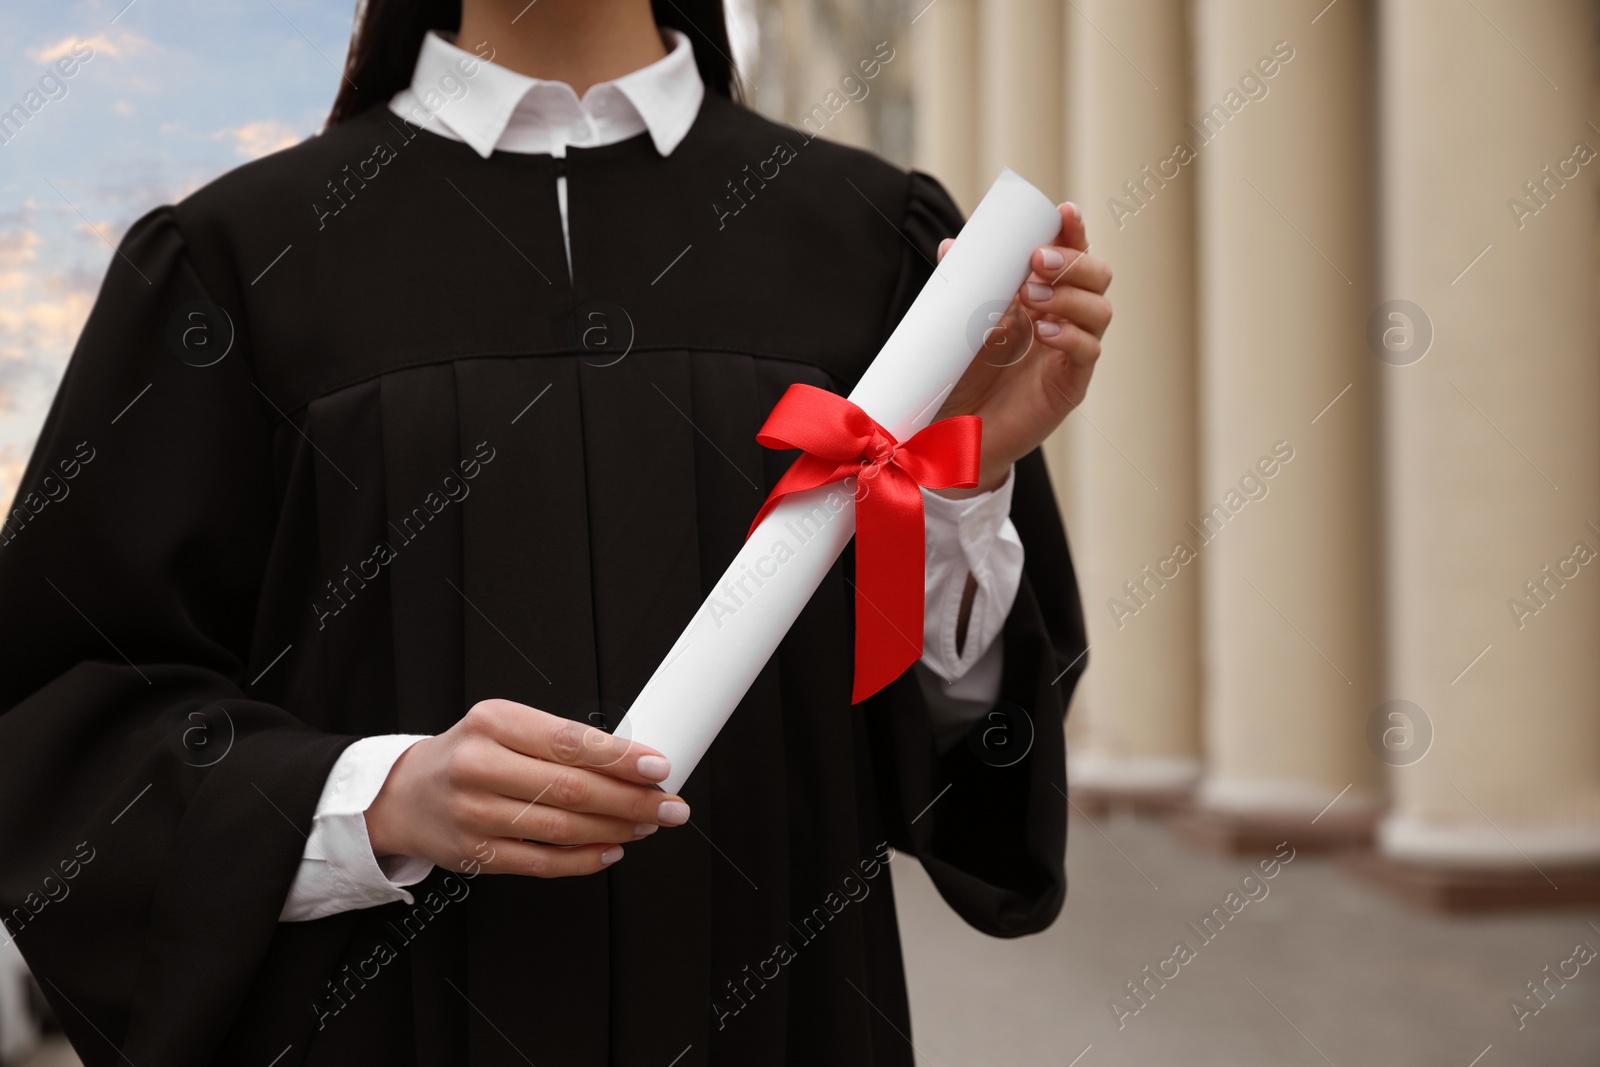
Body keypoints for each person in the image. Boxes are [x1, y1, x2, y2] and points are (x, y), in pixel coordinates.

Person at [0, 0, 1111, 1063]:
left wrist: (965, 478)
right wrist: (378, 797)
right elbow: (67, 717)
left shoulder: (867, 243)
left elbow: (957, 745)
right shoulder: (242, 263)